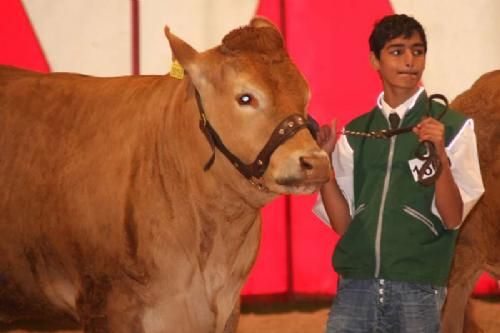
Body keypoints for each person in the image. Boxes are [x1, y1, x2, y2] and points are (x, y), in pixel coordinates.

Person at [313, 14, 485, 333]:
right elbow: (342, 225)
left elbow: (452, 217)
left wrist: (441, 157)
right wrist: (326, 167)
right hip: (355, 286)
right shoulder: (355, 134)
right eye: (397, 51)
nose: (409, 61)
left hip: (418, 289)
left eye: (417, 51)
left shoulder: (454, 127)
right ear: (374, 60)